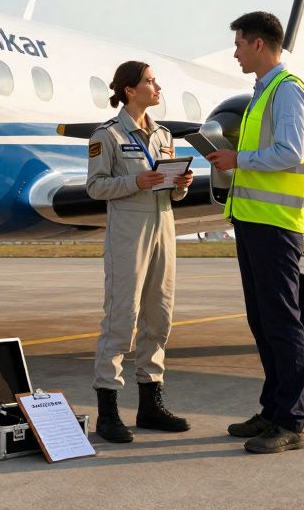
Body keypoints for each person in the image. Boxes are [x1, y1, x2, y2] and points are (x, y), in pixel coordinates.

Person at [204, 11, 304, 454]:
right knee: (262, 322)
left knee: (283, 323)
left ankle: (291, 422)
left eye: (239, 44)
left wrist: (238, 159)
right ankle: (272, 410)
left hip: (277, 225)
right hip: (253, 221)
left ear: (259, 44)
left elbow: (289, 152)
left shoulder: (287, 90)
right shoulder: (261, 93)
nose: (235, 53)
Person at [87, 60, 194, 443]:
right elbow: (96, 187)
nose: (157, 87)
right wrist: (136, 181)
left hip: (164, 228)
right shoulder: (108, 135)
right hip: (128, 235)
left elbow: (173, 194)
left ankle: (150, 404)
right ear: (130, 90)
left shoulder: (164, 135)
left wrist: (181, 184)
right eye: (150, 81)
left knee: (159, 317)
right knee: (121, 319)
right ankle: (108, 411)